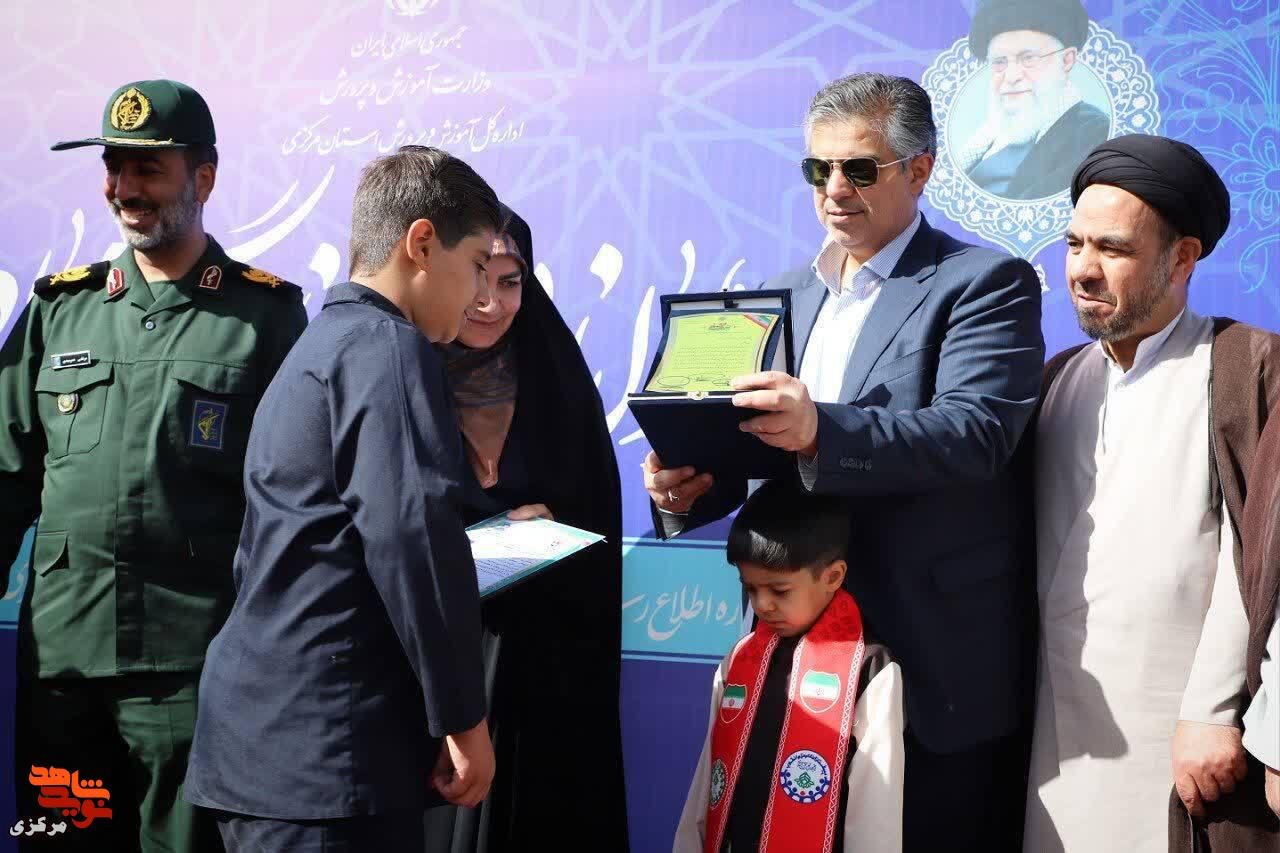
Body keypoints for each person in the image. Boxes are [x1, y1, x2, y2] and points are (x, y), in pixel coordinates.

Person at [645, 72, 1044, 852]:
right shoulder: (783, 294)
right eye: (817, 168)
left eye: (859, 168)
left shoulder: (983, 284)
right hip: (788, 654)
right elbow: (761, 448)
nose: (834, 189)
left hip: (921, 657)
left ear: (919, 170)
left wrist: (818, 431)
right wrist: (690, 487)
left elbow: (974, 435)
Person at [0, 79, 306, 852]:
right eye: (113, 167)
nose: (123, 188)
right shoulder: (58, 311)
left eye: (147, 169)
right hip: (62, 669)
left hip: (191, 674)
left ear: (203, 178)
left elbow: (300, 503)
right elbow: (4, 477)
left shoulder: (264, 318)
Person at [182, 146, 502, 851]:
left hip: (273, 752)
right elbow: (412, 534)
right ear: (422, 243)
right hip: (324, 760)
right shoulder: (387, 347)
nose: (483, 293)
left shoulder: (324, 344)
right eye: (478, 263)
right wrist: (463, 717)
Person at [1027, 134, 1280, 853]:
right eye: (1074, 244)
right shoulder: (1057, 379)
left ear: (1182, 257)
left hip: (1187, 741)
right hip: (1054, 742)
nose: (1084, 268)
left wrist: (1212, 710)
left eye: (1112, 248)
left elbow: (1257, 557)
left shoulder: (1247, 367)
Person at [423, 206, 629, 851]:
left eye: (510, 282)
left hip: (547, 670)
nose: (490, 303)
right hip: (440, 662)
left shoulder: (556, 379)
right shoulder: (406, 376)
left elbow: (595, 522)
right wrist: (486, 541)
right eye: (476, 277)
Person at [672, 479, 905, 853]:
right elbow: (707, 782)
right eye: (750, 588)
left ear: (833, 577)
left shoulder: (870, 670)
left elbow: (876, 809)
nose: (762, 605)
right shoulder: (739, 660)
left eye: (779, 590)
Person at [955, 0, 1109, 200]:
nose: (1011, 76)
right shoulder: (996, 134)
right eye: (999, 62)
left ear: (1066, 60)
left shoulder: (1093, 131)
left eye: (1028, 58)